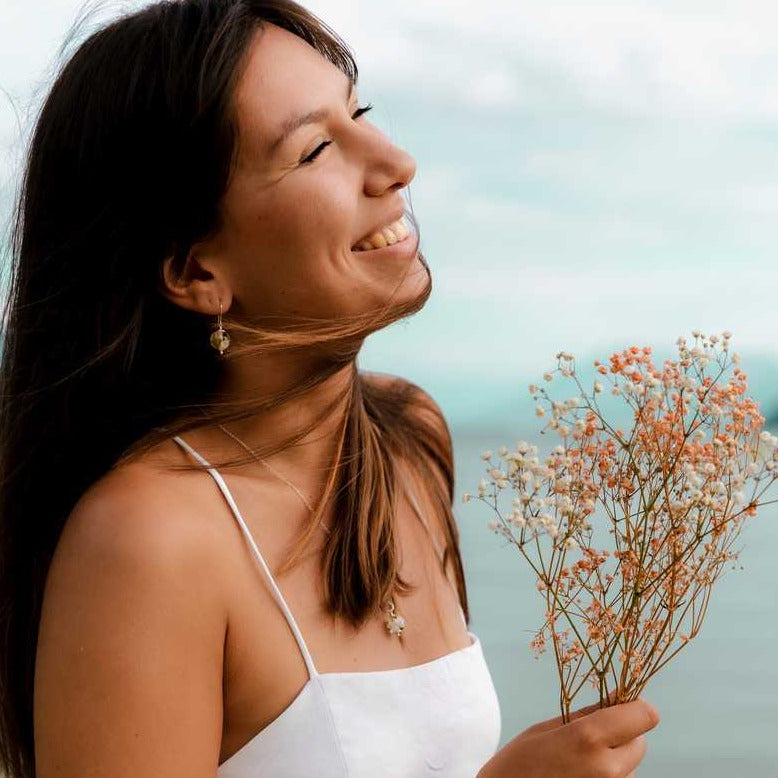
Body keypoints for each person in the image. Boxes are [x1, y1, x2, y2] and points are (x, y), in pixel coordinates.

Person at [0, 1, 659, 776]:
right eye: (315, 150)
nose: (396, 162)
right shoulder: (150, 541)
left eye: (361, 113)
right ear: (196, 272)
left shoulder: (407, 443)